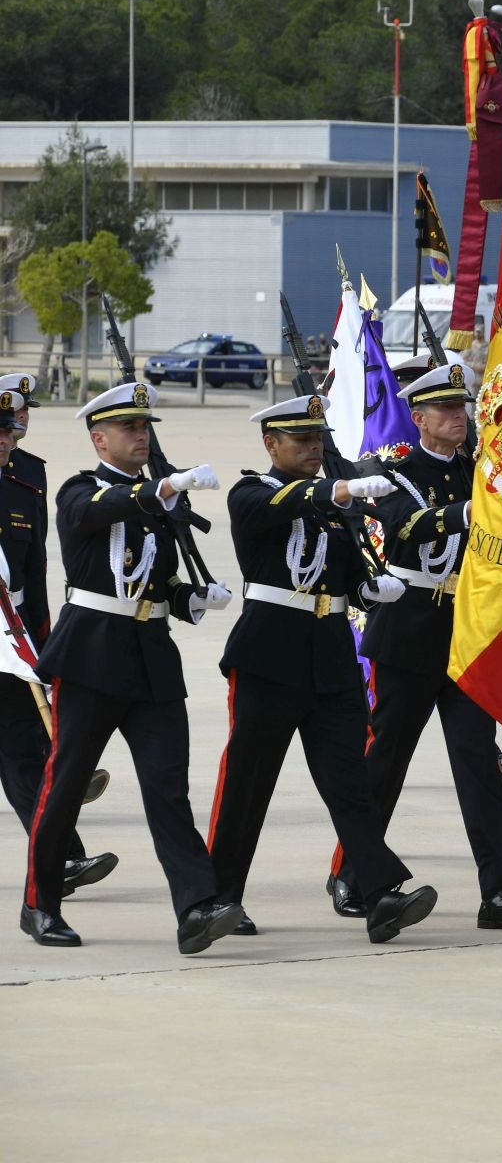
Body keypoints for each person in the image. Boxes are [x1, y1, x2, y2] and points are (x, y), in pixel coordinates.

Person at [21, 383, 243, 953]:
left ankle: (196, 907)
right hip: (91, 653)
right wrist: (164, 489)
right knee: (65, 784)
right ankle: (41, 904)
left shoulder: (158, 501)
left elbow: (158, 575)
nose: (141, 436)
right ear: (99, 439)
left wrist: (192, 599)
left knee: (168, 789)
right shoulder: (80, 489)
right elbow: (100, 513)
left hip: (151, 656)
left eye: (145, 428)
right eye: (128, 429)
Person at [206, 395, 438, 940]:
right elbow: (281, 506)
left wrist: (370, 586)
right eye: (301, 441)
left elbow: (350, 571)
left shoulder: (333, 507)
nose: (314, 449)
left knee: (349, 781)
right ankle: (217, 897)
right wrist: (338, 489)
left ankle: (378, 893)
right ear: (271, 445)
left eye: (318, 440)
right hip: (269, 656)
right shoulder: (251, 494)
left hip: (330, 656)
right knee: (247, 781)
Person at [328, 364, 502, 928]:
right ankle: (351, 874)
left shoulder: (477, 470)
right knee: (384, 763)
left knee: (479, 767)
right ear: (418, 419)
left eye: (461, 409)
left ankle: (498, 893)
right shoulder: (394, 470)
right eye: (444, 410)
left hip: (464, 634)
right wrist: (470, 510)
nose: (457, 418)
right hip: (409, 630)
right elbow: (406, 526)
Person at [0, 390, 117, 896]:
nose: (9, 439)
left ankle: (62, 860)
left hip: (9, 637)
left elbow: (34, 566)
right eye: (1, 431)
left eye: (11, 431)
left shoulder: (23, 479)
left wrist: (39, 638)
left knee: (23, 749)